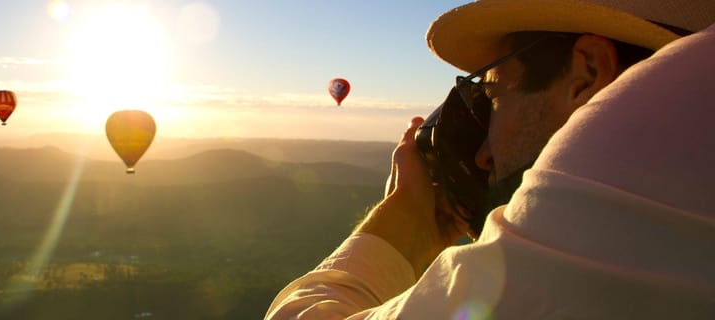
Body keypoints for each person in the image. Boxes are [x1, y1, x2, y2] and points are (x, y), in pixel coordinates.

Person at [265, 1, 715, 319]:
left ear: (587, 74)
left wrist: (399, 229)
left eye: (494, 98)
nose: (482, 155)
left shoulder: (596, 231)